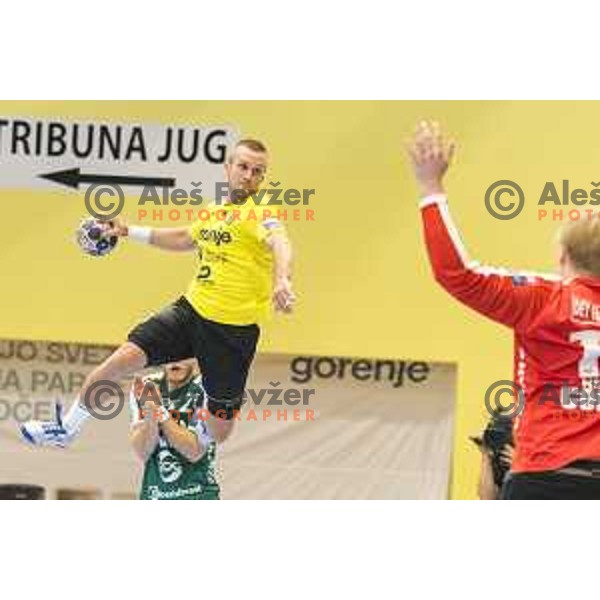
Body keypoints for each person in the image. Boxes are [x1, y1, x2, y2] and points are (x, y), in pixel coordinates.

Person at [21, 138, 295, 448]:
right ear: (228, 167)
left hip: (232, 331)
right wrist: (127, 231)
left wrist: (282, 279)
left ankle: (197, 424)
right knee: (123, 358)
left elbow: (280, 241)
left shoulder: (260, 212)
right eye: (243, 166)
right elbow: (183, 239)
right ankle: (67, 428)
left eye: (257, 171)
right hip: (191, 311)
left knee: (220, 431)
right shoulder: (214, 211)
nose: (248, 175)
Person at [409, 120, 600, 499]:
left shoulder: (544, 298)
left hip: (546, 472)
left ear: (561, 257)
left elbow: (457, 273)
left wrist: (431, 188)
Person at [130, 359, 219, 500]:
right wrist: (150, 416)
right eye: (171, 352)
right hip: (154, 495)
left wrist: (160, 411)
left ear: (195, 357)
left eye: (183, 354)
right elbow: (143, 451)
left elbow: (194, 451)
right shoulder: (148, 384)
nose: (176, 360)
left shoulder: (207, 386)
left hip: (198, 495)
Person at [470, 415, 514, 500]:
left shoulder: (536, 461)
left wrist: (520, 467)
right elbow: (487, 498)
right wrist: (485, 455)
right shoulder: (498, 460)